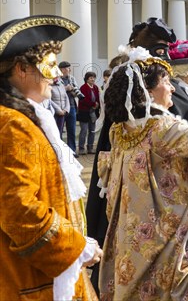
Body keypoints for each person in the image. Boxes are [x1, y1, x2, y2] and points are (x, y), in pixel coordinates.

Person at [98, 52, 188, 300]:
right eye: (166, 82)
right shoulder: (161, 127)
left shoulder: (119, 129)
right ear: (149, 91)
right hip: (172, 226)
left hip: (132, 227)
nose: (171, 88)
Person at [0, 15, 102, 300]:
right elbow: (18, 208)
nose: (56, 75)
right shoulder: (12, 124)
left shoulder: (28, 117)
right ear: (21, 69)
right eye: (50, 65)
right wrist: (74, 246)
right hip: (29, 277)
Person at [59, 60, 81, 153]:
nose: (69, 70)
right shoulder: (56, 78)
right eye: (68, 68)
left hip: (71, 107)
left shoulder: (72, 78)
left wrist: (73, 90)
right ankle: (60, 151)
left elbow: (77, 92)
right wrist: (65, 88)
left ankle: (72, 151)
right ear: (62, 69)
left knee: (71, 130)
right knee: (59, 130)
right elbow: (54, 91)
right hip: (61, 108)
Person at [77, 71, 100, 155]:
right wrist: (93, 104)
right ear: (87, 79)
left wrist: (97, 104)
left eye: (94, 77)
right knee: (84, 130)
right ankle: (81, 148)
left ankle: (90, 147)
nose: (93, 79)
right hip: (84, 112)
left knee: (92, 130)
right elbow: (83, 100)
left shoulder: (96, 87)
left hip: (93, 112)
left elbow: (98, 98)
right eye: (91, 78)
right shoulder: (83, 87)